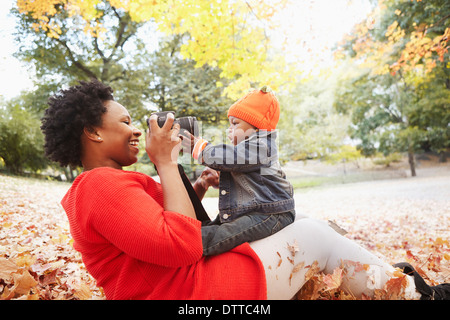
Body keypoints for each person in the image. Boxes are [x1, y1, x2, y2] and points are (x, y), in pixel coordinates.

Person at [41, 79, 449, 300]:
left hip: (184, 282)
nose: (136, 129)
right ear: (92, 132)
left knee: (304, 221)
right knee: (314, 237)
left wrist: (196, 186)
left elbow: (161, 226)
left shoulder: (109, 184)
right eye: (127, 121)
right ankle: (415, 296)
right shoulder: (97, 187)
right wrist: (165, 162)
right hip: (190, 293)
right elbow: (182, 244)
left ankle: (394, 280)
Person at [180, 86, 295, 256]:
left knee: (223, 235)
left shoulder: (263, 145)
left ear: (256, 128)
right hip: (253, 210)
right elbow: (249, 180)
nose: (230, 129)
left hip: (270, 214)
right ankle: (193, 234)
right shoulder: (249, 152)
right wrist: (221, 180)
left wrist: (198, 147)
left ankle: (187, 245)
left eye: (235, 123)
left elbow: (231, 157)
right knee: (215, 227)